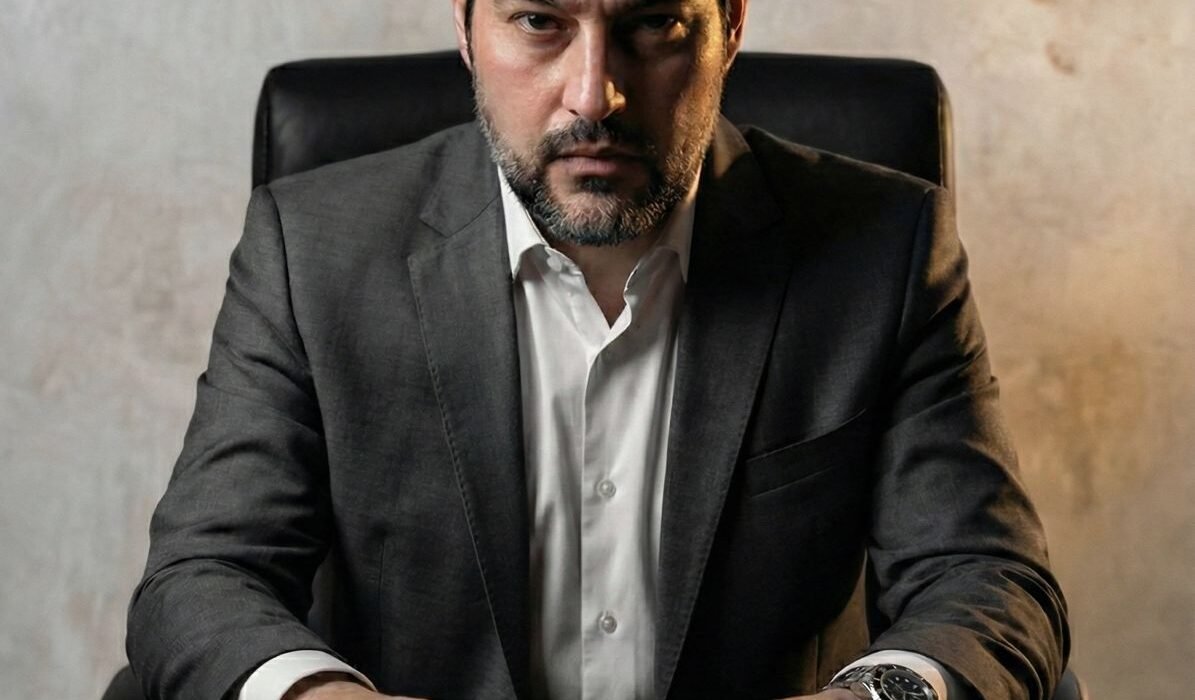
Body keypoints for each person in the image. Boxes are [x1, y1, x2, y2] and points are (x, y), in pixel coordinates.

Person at [126, 0, 1069, 698]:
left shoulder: (884, 249)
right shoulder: (309, 251)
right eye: (540, 22)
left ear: (730, 27)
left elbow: (985, 578)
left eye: (654, 24)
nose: (594, 95)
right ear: (466, 28)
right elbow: (204, 577)